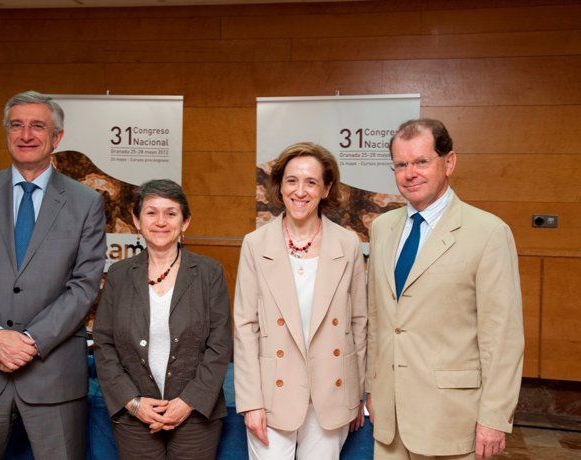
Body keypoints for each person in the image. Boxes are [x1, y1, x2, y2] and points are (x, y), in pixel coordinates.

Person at [0, 90, 107, 459]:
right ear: (6, 132)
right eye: (17, 125)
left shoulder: (86, 202)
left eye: (37, 126)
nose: (26, 135)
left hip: (53, 374)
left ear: (57, 138)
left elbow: (84, 285)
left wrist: (28, 340)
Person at [366, 118, 524, 460]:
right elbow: (379, 319)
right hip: (390, 421)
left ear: (448, 162)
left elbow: (503, 336)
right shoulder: (382, 228)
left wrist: (495, 418)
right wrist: (373, 390)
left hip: (451, 420)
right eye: (401, 165)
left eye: (422, 161)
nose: (411, 173)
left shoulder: (488, 232)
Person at [234, 142, 367, 459]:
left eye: (311, 182)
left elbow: (359, 322)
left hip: (331, 396)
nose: (300, 191)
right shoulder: (255, 244)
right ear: (279, 187)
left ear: (326, 188)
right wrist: (251, 402)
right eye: (292, 180)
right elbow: (245, 326)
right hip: (271, 397)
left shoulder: (348, 244)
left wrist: (355, 393)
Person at [93, 179, 232, 460]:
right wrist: (133, 403)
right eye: (151, 212)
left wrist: (188, 402)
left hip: (195, 413)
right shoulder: (119, 275)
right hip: (135, 413)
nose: (161, 221)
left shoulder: (209, 273)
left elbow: (219, 345)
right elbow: (103, 344)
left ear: (185, 222)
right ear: (136, 220)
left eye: (171, 213)